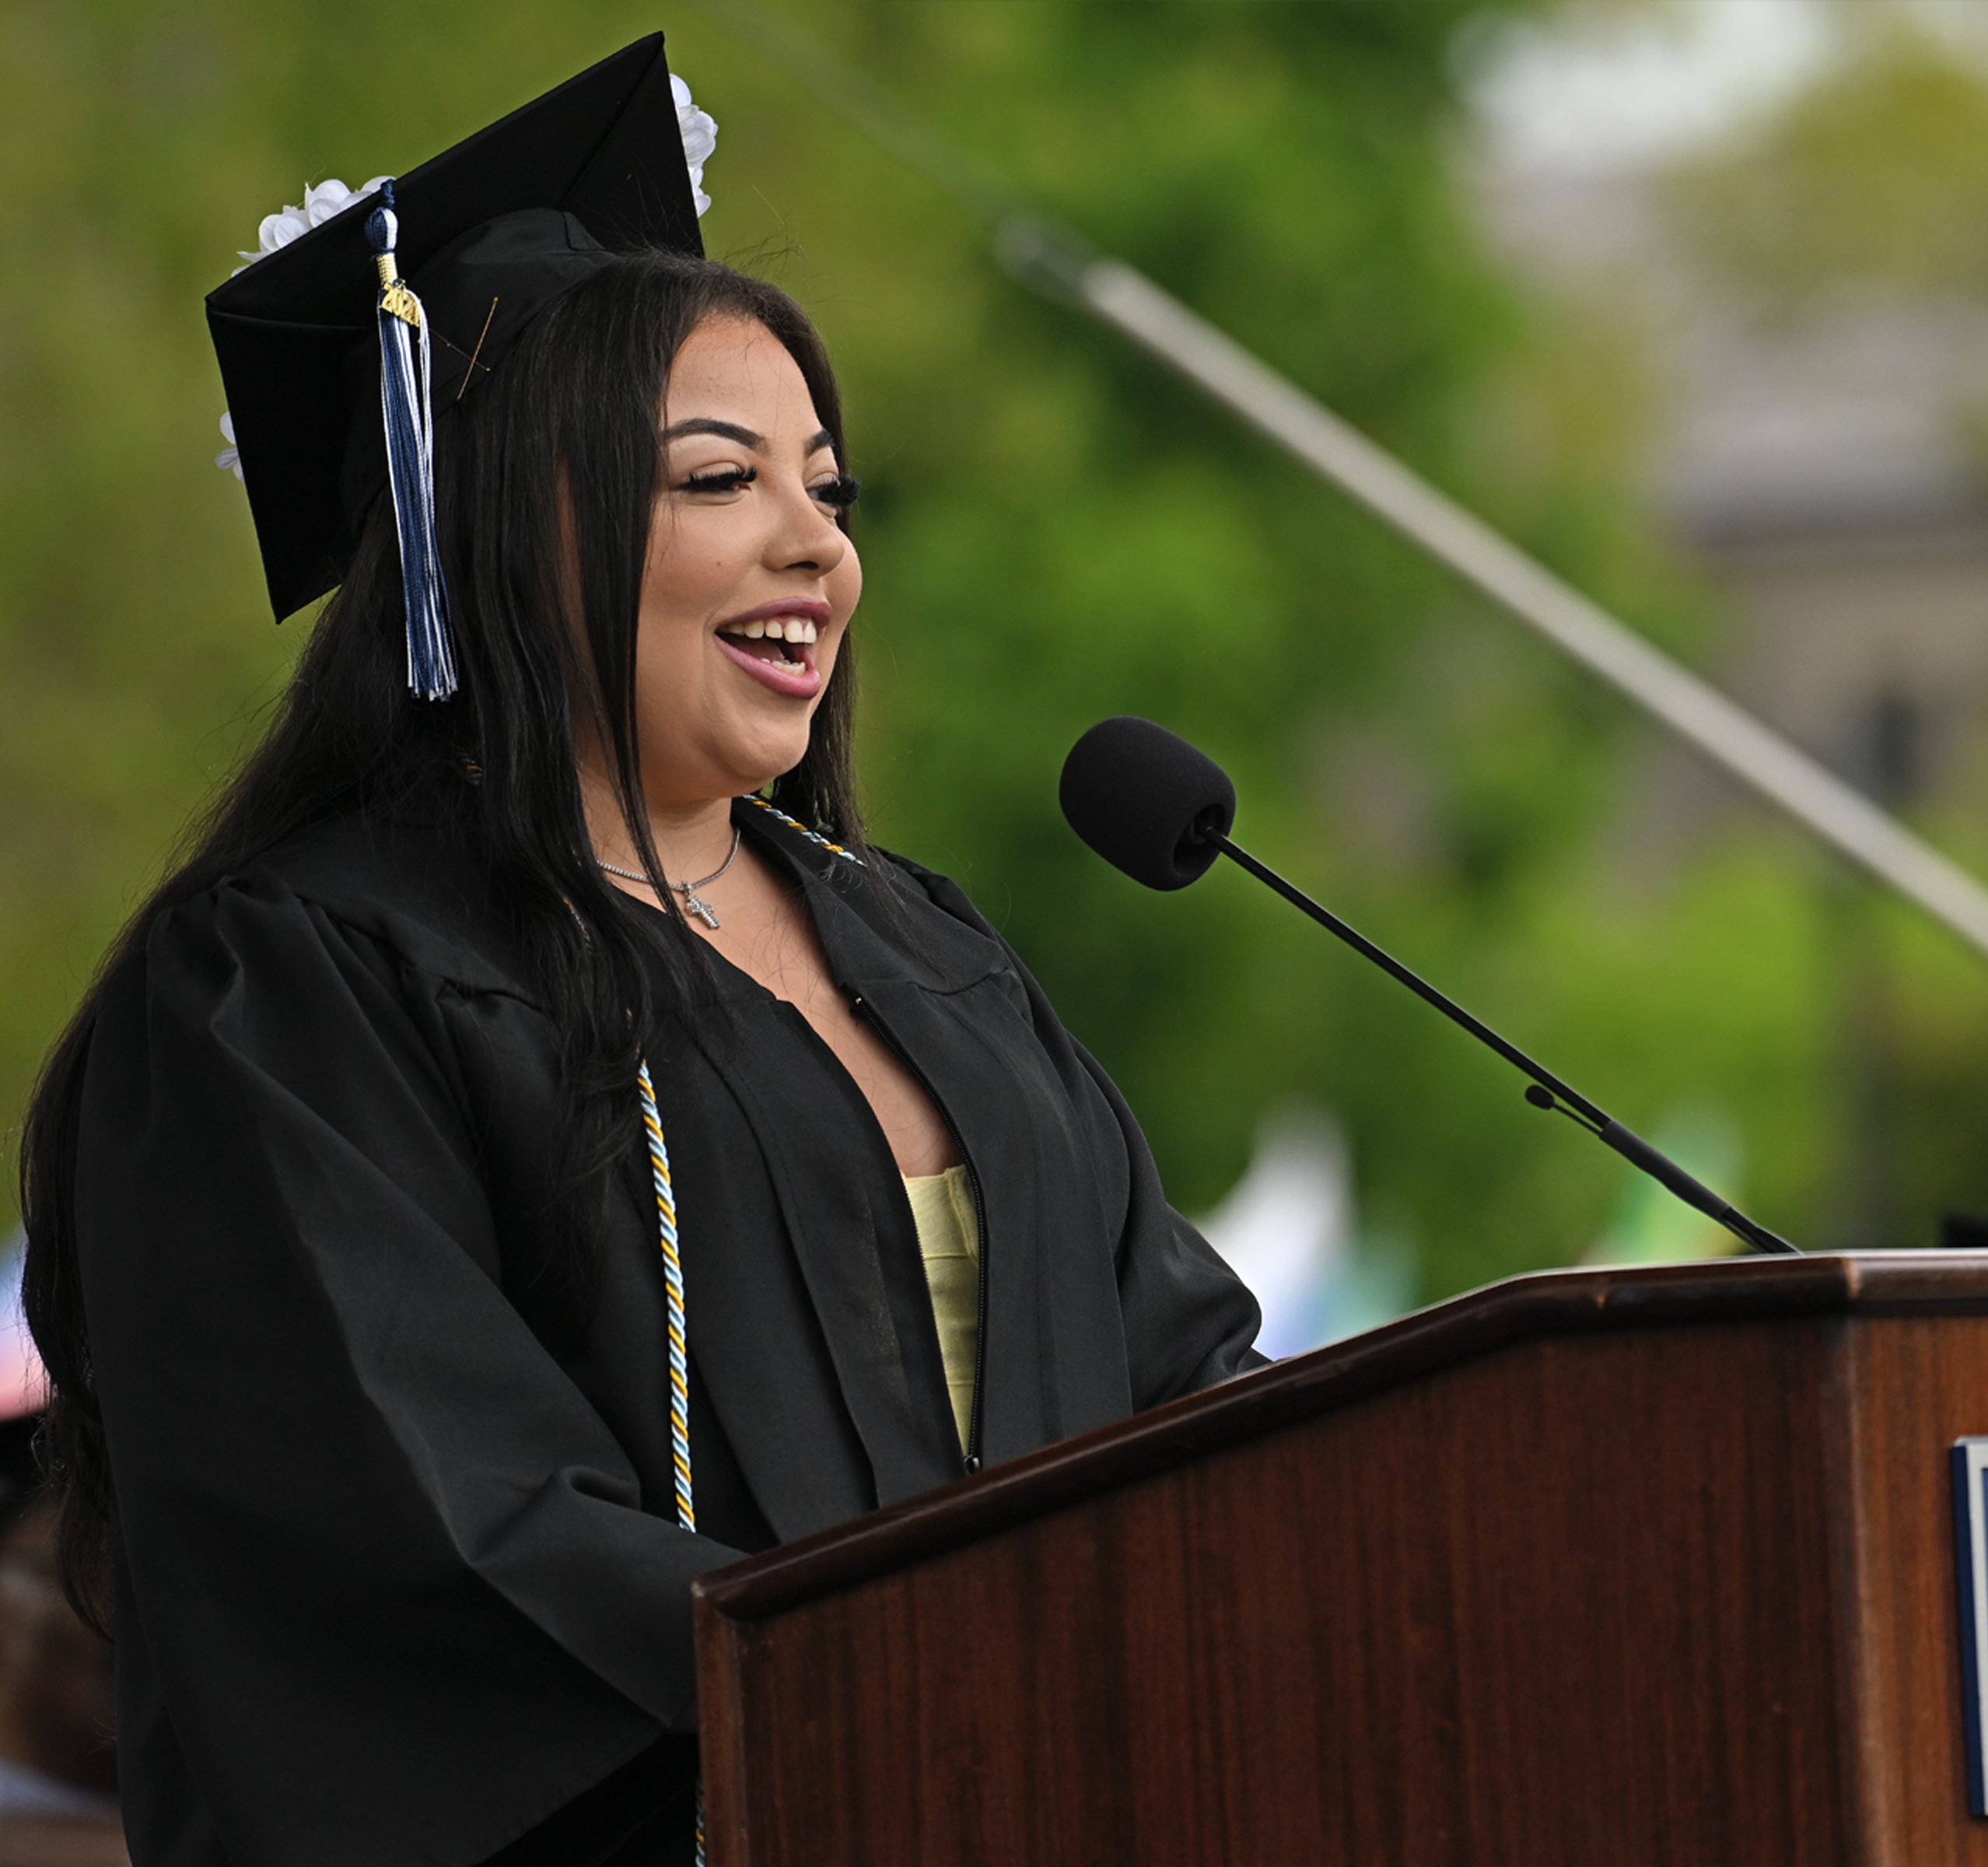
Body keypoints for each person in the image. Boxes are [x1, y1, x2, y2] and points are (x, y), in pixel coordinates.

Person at [10, 37, 1262, 1867]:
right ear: (506, 528)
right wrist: (923, 1706)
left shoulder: (924, 947)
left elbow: (1193, 1385)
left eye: (827, 489)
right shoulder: (288, 988)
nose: (814, 547)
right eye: (718, 480)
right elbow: (432, 1527)